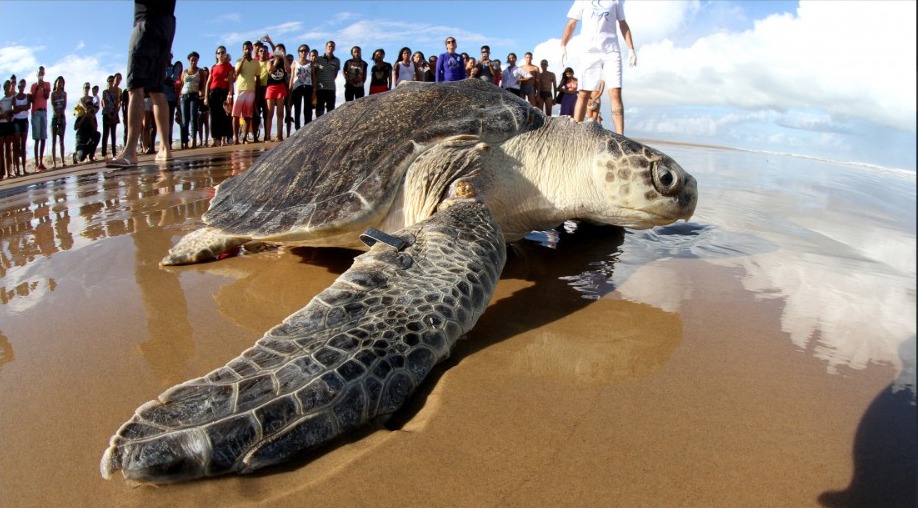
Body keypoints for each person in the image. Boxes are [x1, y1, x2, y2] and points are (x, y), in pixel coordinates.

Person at [107, 0, 176, 168]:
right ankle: (165, 149)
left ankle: (130, 152)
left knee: (135, 87)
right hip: (167, 26)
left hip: (146, 23)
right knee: (156, 89)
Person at [560, 0, 637, 135]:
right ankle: (575, 135)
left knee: (615, 93)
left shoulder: (615, 1)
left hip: (611, 50)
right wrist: (563, 45)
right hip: (589, 51)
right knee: (584, 93)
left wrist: (631, 48)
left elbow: (623, 24)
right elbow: (572, 23)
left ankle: (621, 136)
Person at [231, 40, 260, 145]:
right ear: (243, 50)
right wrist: (243, 60)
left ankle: (244, 138)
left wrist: (257, 92)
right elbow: (236, 73)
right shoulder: (239, 60)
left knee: (247, 116)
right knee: (236, 115)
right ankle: (235, 138)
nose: (247, 51)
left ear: (252, 49)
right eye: (245, 49)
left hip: (251, 90)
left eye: (249, 49)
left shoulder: (256, 63)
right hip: (240, 90)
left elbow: (258, 77)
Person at [205, 45, 233, 146]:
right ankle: (215, 138)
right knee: (214, 116)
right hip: (213, 93)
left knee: (225, 114)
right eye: (219, 53)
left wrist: (230, 93)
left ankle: (228, 136)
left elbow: (230, 81)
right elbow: (208, 83)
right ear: (216, 55)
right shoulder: (213, 67)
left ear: (225, 54)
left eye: (223, 52)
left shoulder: (228, 66)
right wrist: (206, 97)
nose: (221, 54)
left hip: (224, 92)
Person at [264, 44, 290, 142]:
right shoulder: (270, 61)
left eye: (281, 50)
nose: (279, 52)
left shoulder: (284, 61)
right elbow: (270, 71)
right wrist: (275, 61)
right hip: (271, 87)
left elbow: (288, 70)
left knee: (280, 113)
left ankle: (279, 136)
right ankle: (268, 136)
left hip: (281, 87)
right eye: (278, 50)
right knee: (270, 113)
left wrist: (283, 58)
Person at [179, 51, 204, 149]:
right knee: (185, 119)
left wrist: (201, 91)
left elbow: (203, 83)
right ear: (189, 60)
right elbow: (182, 83)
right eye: (192, 60)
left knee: (194, 117)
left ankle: (193, 140)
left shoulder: (200, 71)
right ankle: (184, 141)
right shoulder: (185, 72)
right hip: (185, 95)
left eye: (195, 60)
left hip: (194, 95)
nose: (193, 62)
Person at [30, 66, 52, 170]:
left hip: (44, 112)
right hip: (36, 112)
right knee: (37, 138)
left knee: (43, 137)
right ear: (36, 74)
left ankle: (41, 162)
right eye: (39, 73)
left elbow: (47, 96)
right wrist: (37, 87)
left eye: (42, 73)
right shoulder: (33, 86)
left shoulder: (47, 84)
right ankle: (36, 163)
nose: (41, 74)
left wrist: (42, 87)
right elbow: (32, 98)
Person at [288, 44, 314, 129]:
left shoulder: (310, 63)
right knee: (297, 108)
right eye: (301, 51)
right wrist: (290, 90)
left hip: (308, 86)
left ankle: (307, 126)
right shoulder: (294, 63)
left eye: (305, 51)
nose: (303, 52)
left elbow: (313, 76)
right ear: (299, 52)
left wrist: (315, 90)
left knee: (308, 108)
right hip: (297, 86)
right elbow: (292, 77)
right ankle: (297, 127)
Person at [314, 41, 339, 117]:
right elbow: (314, 72)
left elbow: (335, 74)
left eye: (332, 47)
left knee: (331, 111)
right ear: (326, 47)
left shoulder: (336, 60)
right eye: (329, 46)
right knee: (319, 110)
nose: (331, 48)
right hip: (320, 88)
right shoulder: (318, 59)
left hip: (331, 88)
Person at [12, 79, 30, 173]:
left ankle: (24, 168)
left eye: (23, 86)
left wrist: (20, 108)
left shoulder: (27, 96)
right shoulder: (15, 97)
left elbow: (28, 107)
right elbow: (14, 109)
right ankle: (17, 169)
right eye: (20, 86)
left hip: (24, 120)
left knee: (23, 144)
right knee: (17, 145)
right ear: (18, 87)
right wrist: (22, 108)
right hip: (17, 121)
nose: (22, 88)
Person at [49, 77, 67, 168]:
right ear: (55, 83)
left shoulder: (64, 93)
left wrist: (61, 114)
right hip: (55, 117)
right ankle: (54, 163)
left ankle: (63, 160)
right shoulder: (53, 94)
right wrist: (57, 114)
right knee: (53, 140)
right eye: (59, 82)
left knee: (61, 140)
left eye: (62, 82)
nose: (60, 84)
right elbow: (53, 105)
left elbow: (64, 105)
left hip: (62, 116)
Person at [101, 75, 120, 158]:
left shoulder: (116, 91)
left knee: (113, 133)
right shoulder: (105, 92)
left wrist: (115, 113)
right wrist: (108, 114)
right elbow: (104, 103)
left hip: (114, 113)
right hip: (106, 114)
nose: (111, 82)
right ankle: (104, 153)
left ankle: (114, 153)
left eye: (112, 80)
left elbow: (117, 103)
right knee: (106, 133)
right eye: (109, 81)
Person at [0, 80, 15, 178]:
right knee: (1, 149)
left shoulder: (13, 99)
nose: (6, 88)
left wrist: (8, 114)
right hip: (2, 125)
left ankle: (10, 171)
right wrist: (5, 115)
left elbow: (14, 110)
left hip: (9, 124)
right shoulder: (1, 101)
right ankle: (2, 172)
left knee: (9, 149)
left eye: (8, 86)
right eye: (5, 87)